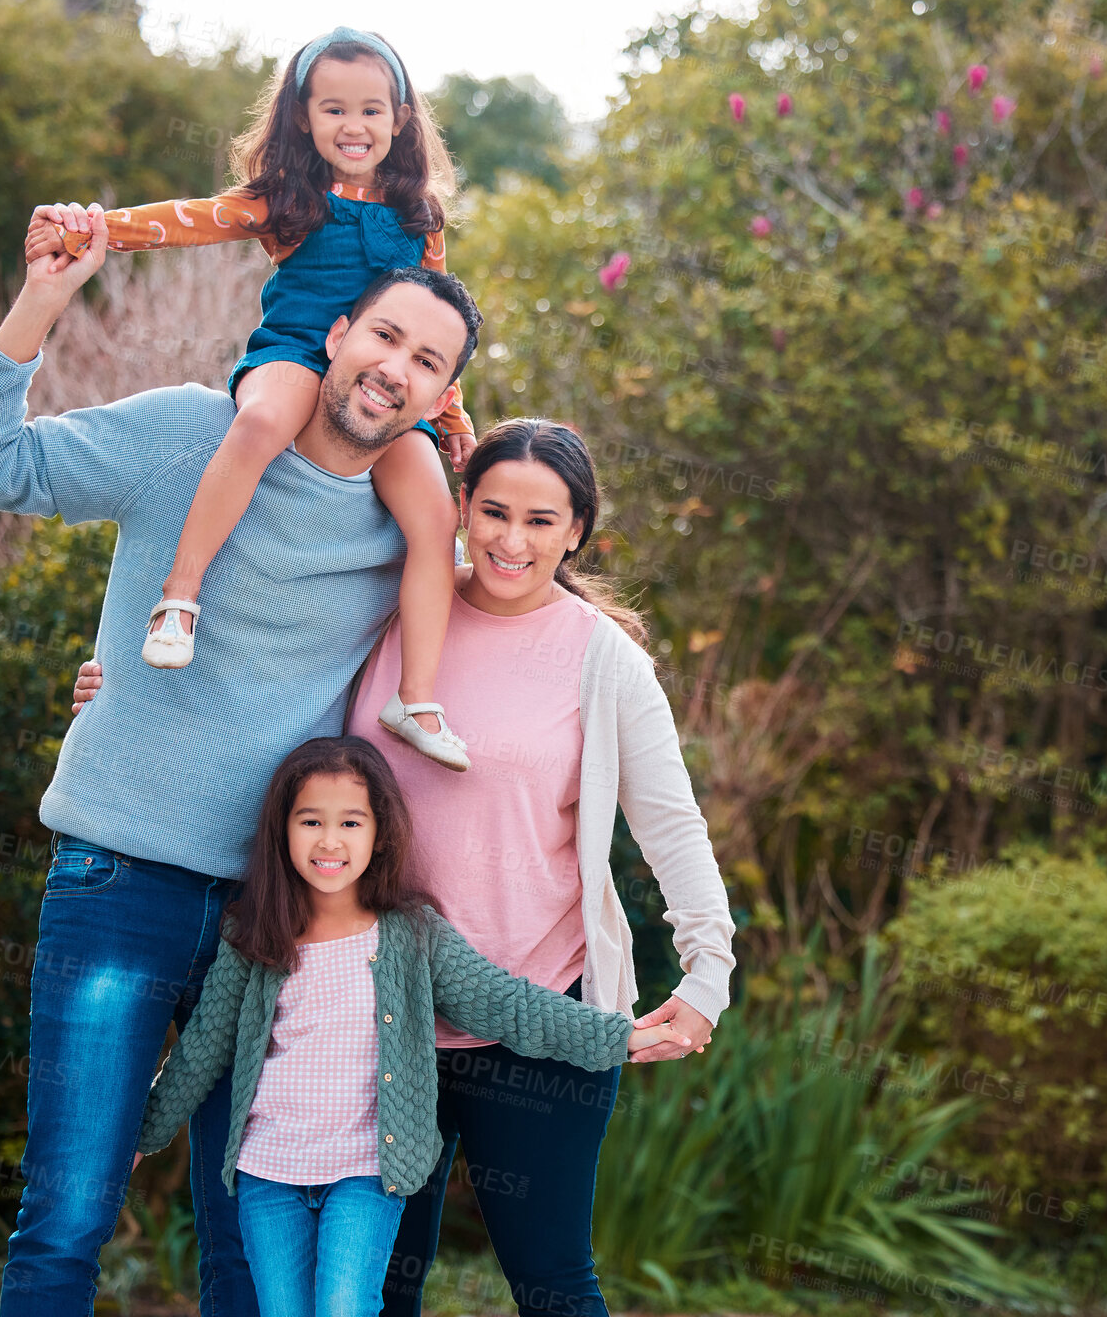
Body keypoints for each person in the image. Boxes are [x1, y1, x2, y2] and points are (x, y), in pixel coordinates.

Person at [0, 193, 482, 1317]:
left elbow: (508, 628)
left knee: (254, 1235)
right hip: (118, 877)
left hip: (280, 919)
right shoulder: (191, 431)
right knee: (70, 1211)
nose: (395, 369)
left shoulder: (411, 526)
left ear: (440, 394)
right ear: (333, 333)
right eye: (384, 335)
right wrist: (44, 297)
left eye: (429, 361)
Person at [71, 418, 738, 1317]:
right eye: (494, 511)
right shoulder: (400, 606)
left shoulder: (604, 660)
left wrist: (707, 975)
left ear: (578, 528)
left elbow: (672, 828)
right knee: (380, 1290)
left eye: (542, 521)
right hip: (378, 1022)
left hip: (531, 1015)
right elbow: (262, 677)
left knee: (551, 1280)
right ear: (460, 507)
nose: (512, 539)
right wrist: (116, 682)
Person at [26, 26, 474, 772]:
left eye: (371, 110)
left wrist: (452, 416)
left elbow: (439, 318)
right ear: (302, 117)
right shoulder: (289, 200)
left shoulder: (418, 214)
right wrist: (100, 228)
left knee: (434, 514)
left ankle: (415, 697)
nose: (353, 126)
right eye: (333, 109)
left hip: (381, 378)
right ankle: (180, 595)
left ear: (400, 118)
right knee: (263, 420)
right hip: (298, 350)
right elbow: (191, 219)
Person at [130, 735, 685, 1317]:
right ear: (282, 830)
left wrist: (618, 1036)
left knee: (346, 1307)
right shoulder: (254, 938)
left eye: (350, 822)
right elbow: (200, 1050)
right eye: (310, 821)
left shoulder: (412, 935)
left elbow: (507, 1004)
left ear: (379, 833)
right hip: (268, 1172)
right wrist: (142, 1136)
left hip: (367, 1172)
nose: (329, 841)